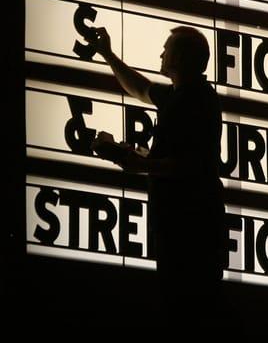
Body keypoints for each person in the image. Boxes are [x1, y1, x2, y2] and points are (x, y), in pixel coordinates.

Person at [89, 26, 227, 336]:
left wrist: (134, 162)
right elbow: (140, 88)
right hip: (188, 228)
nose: (161, 54)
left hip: (189, 232)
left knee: (186, 314)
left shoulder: (196, 101)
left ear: (179, 56)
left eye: (167, 49)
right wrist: (109, 55)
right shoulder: (187, 96)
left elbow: (190, 166)